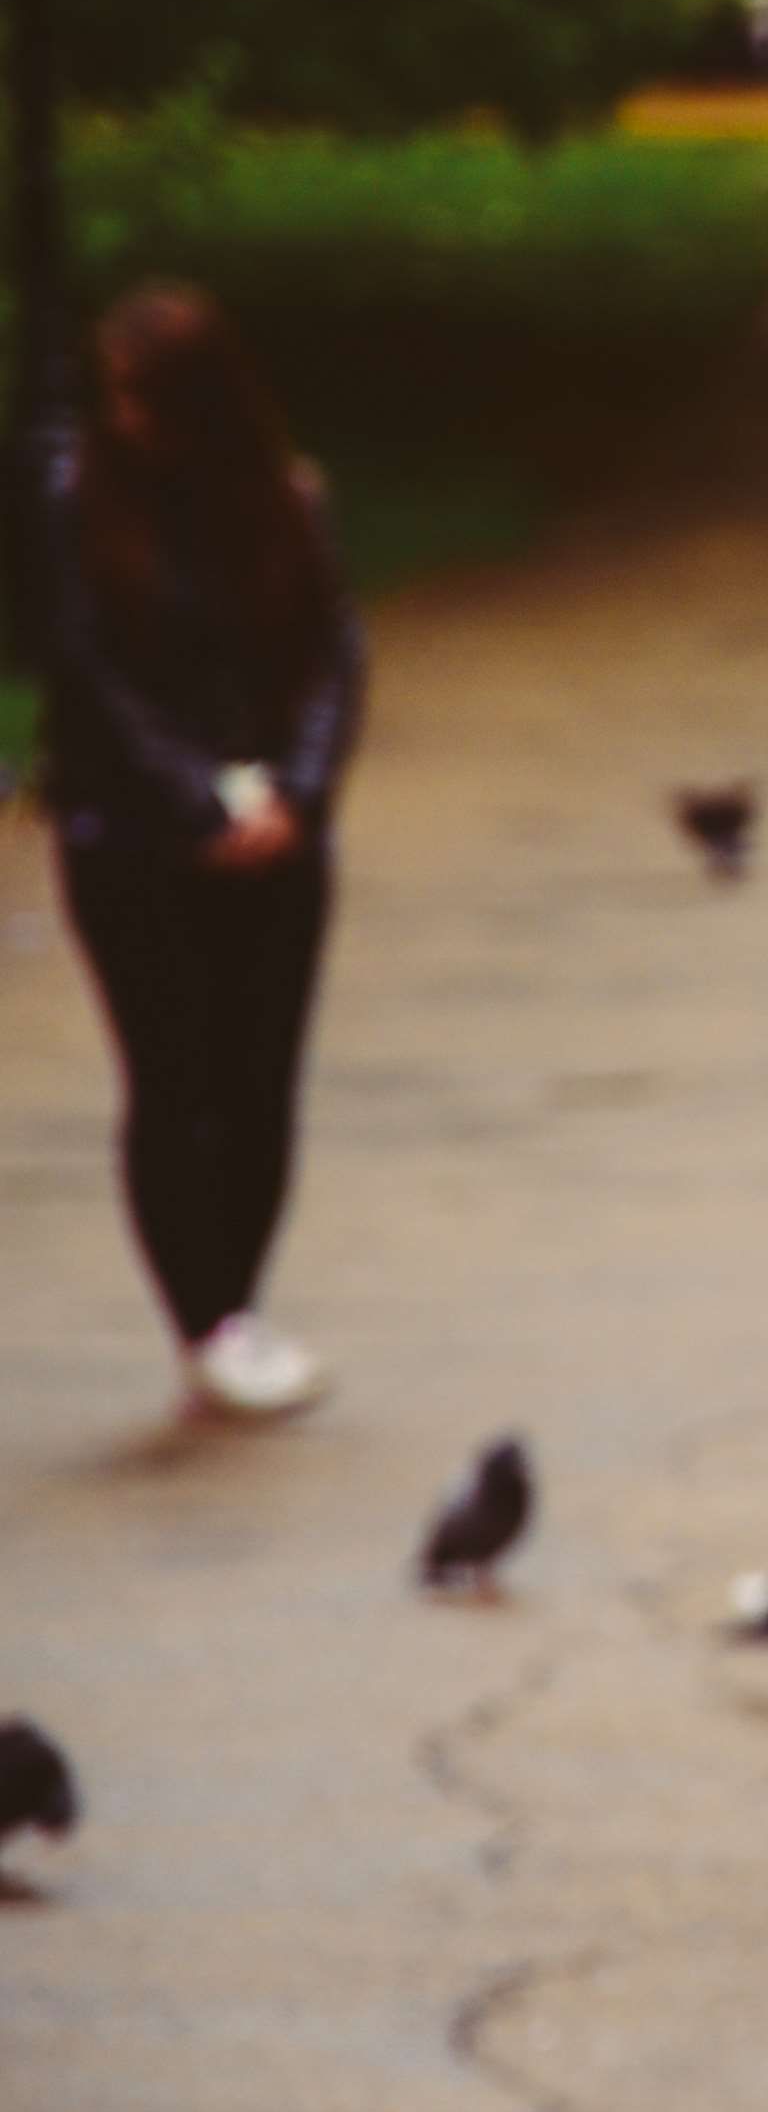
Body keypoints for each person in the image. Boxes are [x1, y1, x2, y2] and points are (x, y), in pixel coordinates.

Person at [35, 284, 366, 1419]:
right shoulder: (77, 507)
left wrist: (300, 796)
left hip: (278, 820)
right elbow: (89, 678)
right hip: (133, 836)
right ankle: (208, 1321)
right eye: (112, 395)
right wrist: (193, 806)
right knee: (175, 1077)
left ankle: (238, 1305)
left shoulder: (287, 500)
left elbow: (335, 657)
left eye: (144, 397)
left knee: (260, 1076)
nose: (124, 418)